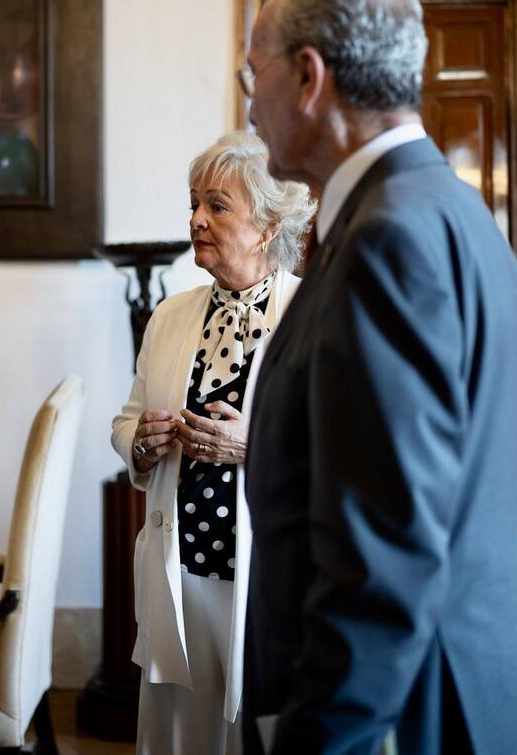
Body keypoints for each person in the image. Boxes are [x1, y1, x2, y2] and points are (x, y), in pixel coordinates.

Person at [240, 0, 517, 753]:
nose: (249, 108)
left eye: (255, 75)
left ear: (309, 77)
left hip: (403, 711)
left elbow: (382, 555)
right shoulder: (453, 208)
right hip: (470, 682)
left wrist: (319, 738)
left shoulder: (386, 238)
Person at [111, 130, 316, 755]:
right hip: (180, 569)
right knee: (179, 730)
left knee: (257, 730)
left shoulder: (312, 316)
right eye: (194, 203)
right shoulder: (170, 316)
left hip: (267, 579)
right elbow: (126, 421)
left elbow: (346, 450)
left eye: (217, 206)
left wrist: (258, 446)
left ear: (267, 224)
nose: (196, 219)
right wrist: (139, 445)